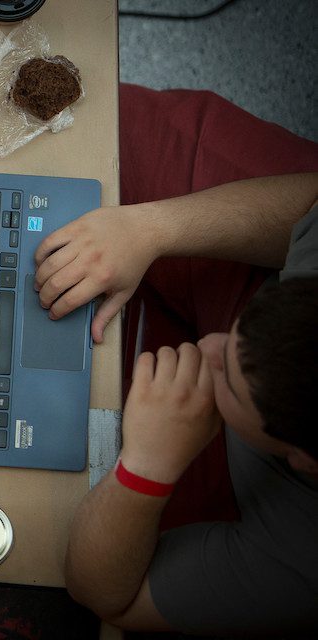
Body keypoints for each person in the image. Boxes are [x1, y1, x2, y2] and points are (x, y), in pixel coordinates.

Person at [43, 84, 318, 634]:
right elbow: (309, 206)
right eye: (233, 338)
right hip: (270, 270)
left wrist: (146, 469)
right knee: (91, 125)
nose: (204, 350)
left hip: (236, 488)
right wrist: (149, 228)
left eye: (232, 384)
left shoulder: (301, 563)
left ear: (304, 461)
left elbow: (108, 599)